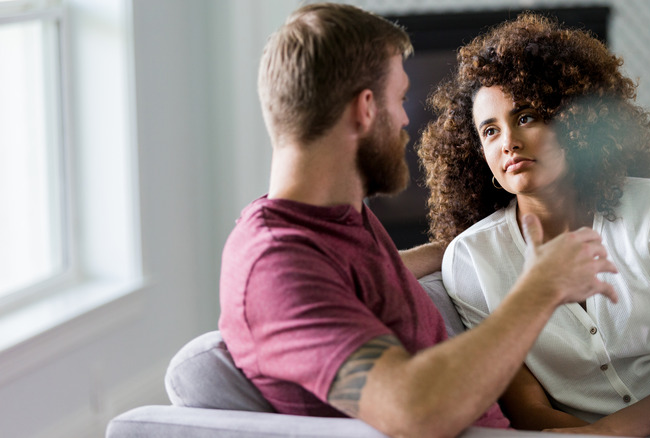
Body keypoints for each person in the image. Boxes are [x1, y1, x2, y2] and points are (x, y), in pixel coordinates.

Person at [218, 4, 620, 437]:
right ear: (366, 108)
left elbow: (361, 279)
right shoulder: (274, 265)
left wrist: (461, 246)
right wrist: (541, 288)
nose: (408, 120)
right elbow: (414, 411)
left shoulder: (335, 223)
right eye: (401, 98)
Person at [418, 13, 650, 438]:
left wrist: (607, 435)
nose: (507, 141)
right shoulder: (472, 260)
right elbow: (527, 407)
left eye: (526, 116)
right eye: (489, 131)